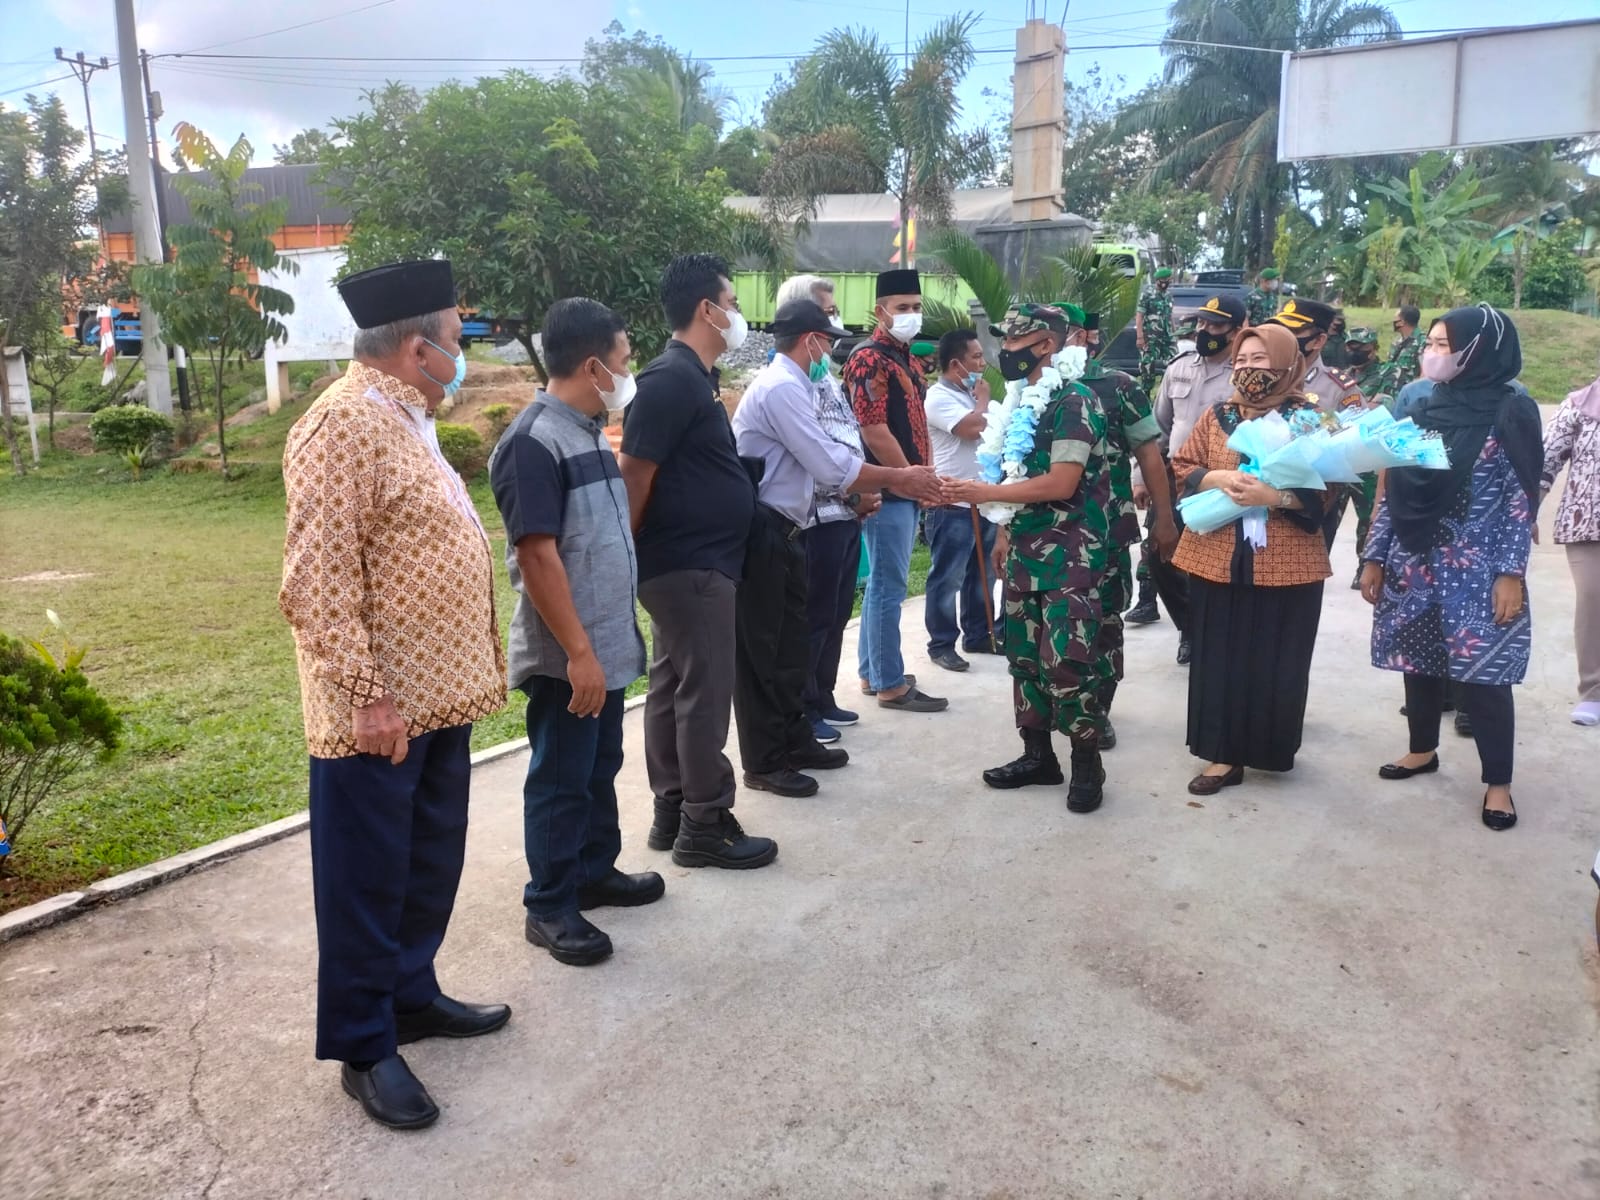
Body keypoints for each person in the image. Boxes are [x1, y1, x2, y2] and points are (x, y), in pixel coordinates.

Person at [280, 259, 511, 1131]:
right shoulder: (339, 425)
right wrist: (369, 696)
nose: (462, 352)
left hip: (437, 700)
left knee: (425, 864)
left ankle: (410, 994)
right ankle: (364, 1046)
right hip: (376, 714)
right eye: (456, 339)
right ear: (417, 349)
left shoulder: (404, 416)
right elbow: (318, 583)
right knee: (366, 880)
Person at [487, 298, 657, 970]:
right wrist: (579, 654)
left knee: (599, 764)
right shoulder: (532, 442)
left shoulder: (585, 430)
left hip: (605, 644)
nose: (626, 371)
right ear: (592, 365)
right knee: (560, 777)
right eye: (622, 360)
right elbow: (537, 556)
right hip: (569, 657)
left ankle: (595, 870)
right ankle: (550, 903)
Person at [732, 299, 945, 795]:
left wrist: (872, 488)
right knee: (767, 655)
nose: (831, 350)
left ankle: (794, 738)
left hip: (793, 528)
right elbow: (830, 465)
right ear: (810, 340)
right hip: (767, 527)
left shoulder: (801, 385)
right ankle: (765, 761)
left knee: (791, 648)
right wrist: (899, 478)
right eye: (827, 340)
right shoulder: (782, 387)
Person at [620, 254, 778, 870]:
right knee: (705, 693)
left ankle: (675, 806)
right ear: (707, 310)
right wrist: (630, 553)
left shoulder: (694, 378)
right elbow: (635, 474)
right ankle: (705, 823)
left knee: (675, 686)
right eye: (732, 303)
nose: (738, 315)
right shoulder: (668, 381)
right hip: (689, 564)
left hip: (695, 561)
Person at [1361, 305, 1542, 829]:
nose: (1433, 353)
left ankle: (1498, 784)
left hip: (1479, 566)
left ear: (1479, 350)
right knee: (1418, 660)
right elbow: (1396, 489)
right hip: (1415, 559)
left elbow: (1518, 500)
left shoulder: (1512, 410)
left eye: (1445, 345)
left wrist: (1511, 573)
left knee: (1485, 676)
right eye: (1433, 343)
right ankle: (1422, 750)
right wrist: (1374, 556)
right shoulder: (1423, 404)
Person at [943, 304, 1114, 813]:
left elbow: (1062, 481)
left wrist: (983, 490)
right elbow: (1013, 475)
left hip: (1070, 555)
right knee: (1022, 657)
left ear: (1047, 345)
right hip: (1023, 551)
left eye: (1018, 341)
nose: (1006, 350)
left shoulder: (1074, 400)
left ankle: (1086, 763)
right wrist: (1001, 531)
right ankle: (1039, 757)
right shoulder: (1020, 401)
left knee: (1067, 661)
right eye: (1005, 339)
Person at [1170, 322, 1332, 796]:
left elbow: (1333, 489)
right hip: (1218, 554)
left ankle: (1269, 747)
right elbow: (1182, 465)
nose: (1247, 370)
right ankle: (1223, 755)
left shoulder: (1312, 419)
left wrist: (1275, 496)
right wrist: (1217, 478)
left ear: (1286, 362)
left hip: (1287, 561)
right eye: (1240, 361)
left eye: (1259, 361)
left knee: (1276, 657)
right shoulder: (1218, 414)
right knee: (1219, 655)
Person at [774, 275, 876, 746]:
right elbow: (814, 454)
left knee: (836, 613)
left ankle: (824, 693)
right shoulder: (788, 383)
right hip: (814, 517)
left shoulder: (823, 377)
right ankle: (805, 705)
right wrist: (867, 488)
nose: (836, 322)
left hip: (845, 515)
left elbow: (846, 436)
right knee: (810, 619)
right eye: (827, 313)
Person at [843, 268, 949, 713]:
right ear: (879, 311)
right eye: (902, 308)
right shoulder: (869, 358)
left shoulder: (906, 358)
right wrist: (911, 478)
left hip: (904, 483)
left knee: (885, 584)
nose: (911, 315)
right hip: (890, 486)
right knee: (889, 586)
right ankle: (889, 683)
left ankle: (873, 670)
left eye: (916, 307)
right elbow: (873, 429)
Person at [1073, 304, 1177, 749]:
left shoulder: (1120, 386)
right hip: (1045, 534)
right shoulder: (1034, 387)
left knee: (1104, 621)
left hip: (1106, 528)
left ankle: (1099, 708)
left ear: (1086, 337)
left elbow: (1150, 455)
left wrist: (1165, 518)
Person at [1128, 294, 1249, 663]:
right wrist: (1140, 478)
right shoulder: (1178, 368)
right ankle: (1189, 627)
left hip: (1221, 483)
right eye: (1202, 323)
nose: (1205, 331)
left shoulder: (1244, 373)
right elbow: (1156, 428)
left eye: (1216, 325)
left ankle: (1210, 635)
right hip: (1172, 480)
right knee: (1160, 557)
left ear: (1237, 330)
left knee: (1212, 564)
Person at [923, 328, 1000, 672]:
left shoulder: (968, 395)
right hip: (951, 503)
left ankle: (979, 634)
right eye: (976, 358)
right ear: (956, 364)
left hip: (981, 500)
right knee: (947, 577)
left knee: (981, 574)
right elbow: (972, 429)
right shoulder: (939, 397)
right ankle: (941, 643)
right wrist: (983, 401)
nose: (982, 364)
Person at [1267, 298, 1365, 554]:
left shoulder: (1339, 387)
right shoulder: (1257, 375)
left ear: (1318, 341)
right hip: (1255, 499)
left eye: (1294, 332)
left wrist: (1322, 422)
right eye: (1280, 330)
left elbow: (1357, 444)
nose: (1285, 338)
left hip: (1310, 503)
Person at [1538, 353, 1600, 726]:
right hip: (1587, 525)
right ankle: (1593, 691)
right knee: (1594, 598)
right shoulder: (1578, 406)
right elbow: (1545, 461)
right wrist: (1525, 511)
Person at [1343, 326, 1388, 588]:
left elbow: (1384, 408)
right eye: (1350, 346)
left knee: (1368, 517)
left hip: (1368, 458)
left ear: (1374, 349)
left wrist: (1360, 409)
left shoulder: (1388, 373)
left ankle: (1366, 565)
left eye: (1360, 347)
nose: (1354, 351)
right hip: (1341, 457)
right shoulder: (1344, 376)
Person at [1136, 267, 1177, 391]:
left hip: (1167, 336)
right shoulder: (1148, 294)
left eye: (1169, 280)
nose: (1167, 282)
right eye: (1166, 280)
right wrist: (1139, 337)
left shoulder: (1169, 296)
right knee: (1148, 368)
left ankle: (1167, 392)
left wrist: (1175, 334)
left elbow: (1170, 316)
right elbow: (1139, 316)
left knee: (1173, 362)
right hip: (1150, 337)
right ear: (1159, 280)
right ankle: (1146, 396)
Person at [1378, 304, 1424, 396]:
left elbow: (1425, 374)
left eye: (1395, 318)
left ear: (1401, 322)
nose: (1393, 321)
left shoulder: (1422, 342)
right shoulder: (1396, 342)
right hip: (1391, 392)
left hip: (1410, 393)